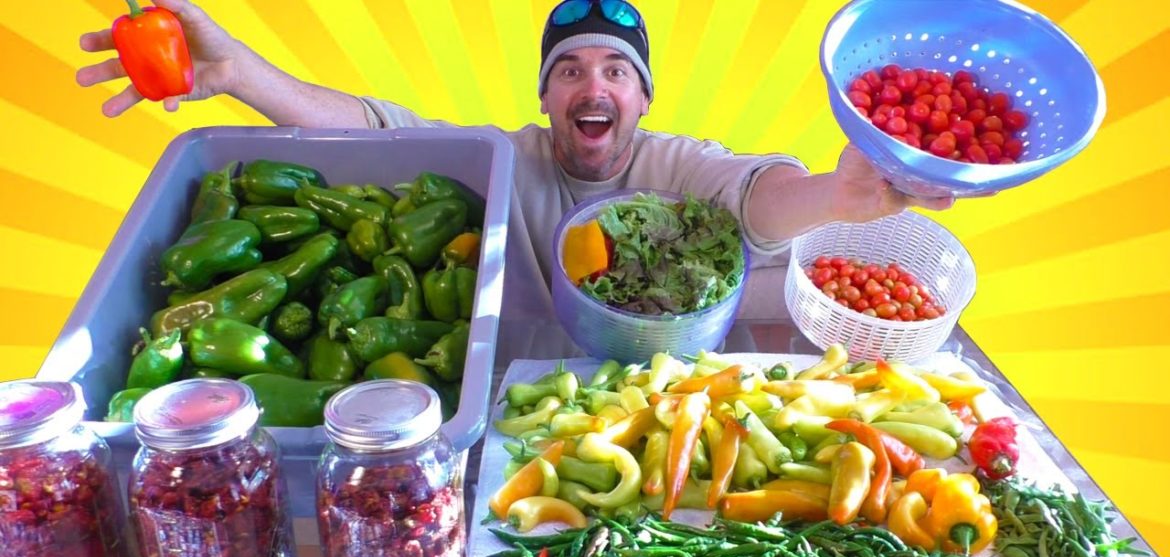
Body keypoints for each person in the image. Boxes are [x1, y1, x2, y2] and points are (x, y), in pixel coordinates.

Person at [77, 0, 952, 321]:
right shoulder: (507, 163)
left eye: (616, 70)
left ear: (642, 98)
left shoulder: (679, 165)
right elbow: (380, 129)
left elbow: (759, 200)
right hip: (519, 415)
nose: (591, 85)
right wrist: (242, 76)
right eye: (568, 70)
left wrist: (838, 194)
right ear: (544, 98)